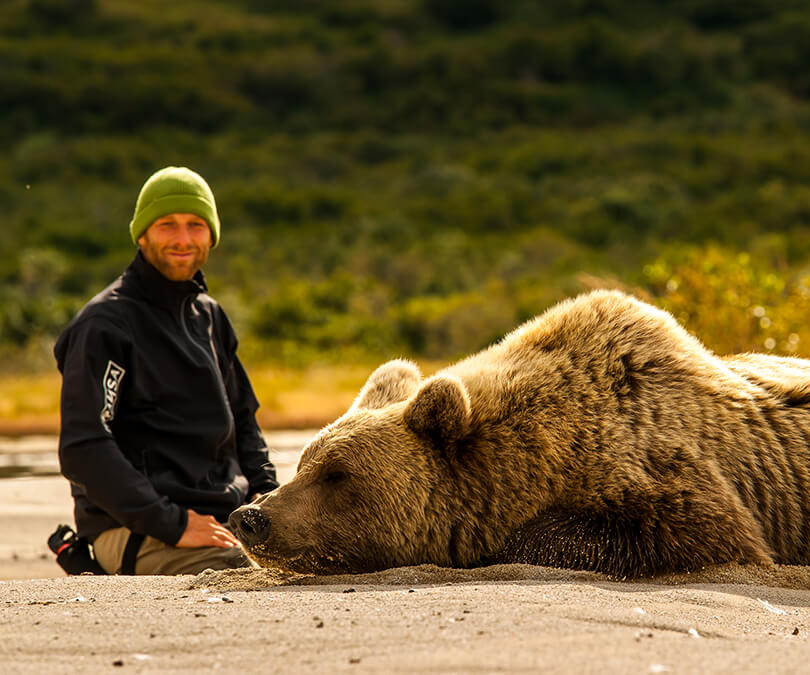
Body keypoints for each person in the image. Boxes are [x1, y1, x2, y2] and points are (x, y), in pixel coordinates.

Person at [53, 166, 279, 575]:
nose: (183, 239)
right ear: (141, 234)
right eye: (166, 225)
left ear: (211, 235)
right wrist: (172, 523)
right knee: (257, 577)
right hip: (137, 527)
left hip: (225, 519)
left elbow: (245, 425)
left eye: (195, 225)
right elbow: (83, 446)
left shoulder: (210, 317)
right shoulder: (105, 325)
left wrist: (268, 502)